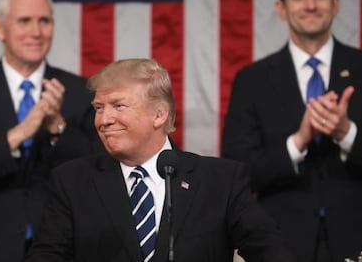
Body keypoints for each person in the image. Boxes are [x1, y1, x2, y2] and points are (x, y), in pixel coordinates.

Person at [25, 58, 294, 262]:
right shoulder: (72, 182)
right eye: (99, 108)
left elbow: (272, 253)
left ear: (159, 115)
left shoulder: (220, 181)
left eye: (119, 106)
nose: (104, 120)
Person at [222, 0, 362, 262]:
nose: (310, 5)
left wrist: (347, 134)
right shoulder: (252, 79)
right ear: (281, 8)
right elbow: (237, 171)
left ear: (335, 4)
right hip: (281, 243)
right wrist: (298, 141)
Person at [0, 0, 104, 262]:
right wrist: (18, 134)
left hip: (60, 245)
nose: (36, 32)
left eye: (44, 21)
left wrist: (57, 128)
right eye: (24, 21)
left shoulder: (80, 91)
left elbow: (100, 168)